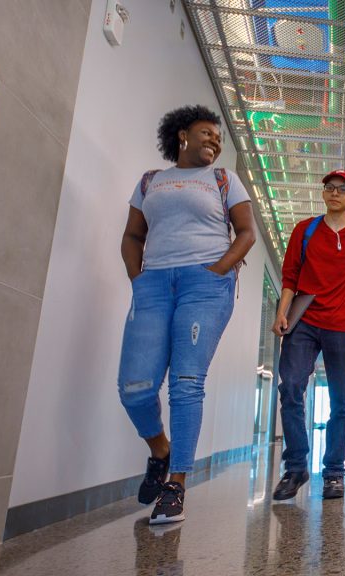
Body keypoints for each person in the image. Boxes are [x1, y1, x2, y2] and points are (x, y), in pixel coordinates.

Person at [119, 105, 256, 524]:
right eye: (206, 133)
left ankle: (176, 484)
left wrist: (217, 269)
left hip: (204, 286)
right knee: (135, 388)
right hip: (155, 285)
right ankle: (160, 450)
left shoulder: (224, 180)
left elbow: (247, 232)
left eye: (218, 137)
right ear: (182, 135)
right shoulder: (150, 181)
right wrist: (138, 278)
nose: (214, 141)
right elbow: (132, 235)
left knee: (185, 382)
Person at [272, 169, 345, 501]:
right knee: (290, 387)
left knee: (341, 402)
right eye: (329, 188)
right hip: (303, 321)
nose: (334, 193)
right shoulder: (305, 230)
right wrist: (282, 311)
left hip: (342, 324)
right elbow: (290, 275)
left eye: (342, 189)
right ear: (324, 194)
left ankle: (334, 471)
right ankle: (296, 467)